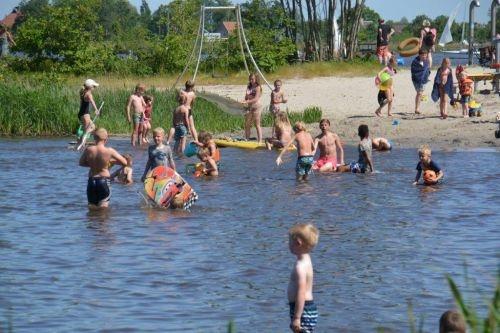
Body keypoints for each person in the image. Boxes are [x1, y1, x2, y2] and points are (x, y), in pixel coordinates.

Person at [79, 128, 127, 209]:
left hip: (91, 180)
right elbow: (125, 162)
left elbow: (81, 163)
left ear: (94, 138)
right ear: (106, 139)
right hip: (103, 180)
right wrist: (111, 162)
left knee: (92, 208)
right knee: (104, 209)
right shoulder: (109, 151)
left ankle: (91, 221)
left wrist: (92, 164)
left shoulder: (89, 149)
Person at [288, 223, 319, 333]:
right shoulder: (307, 259)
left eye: (290, 241)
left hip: (302, 310)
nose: (288, 244)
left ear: (298, 243)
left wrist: (297, 318)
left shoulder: (299, 267)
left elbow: (301, 292)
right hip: (308, 308)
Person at [76, 79, 100, 150]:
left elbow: (81, 104)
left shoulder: (83, 92)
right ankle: (82, 145)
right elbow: (92, 102)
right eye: (94, 87)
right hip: (85, 115)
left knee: (91, 127)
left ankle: (79, 143)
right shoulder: (89, 94)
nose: (94, 88)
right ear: (90, 87)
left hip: (82, 113)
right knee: (87, 130)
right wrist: (96, 110)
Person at [242, 73, 263, 143]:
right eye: (250, 79)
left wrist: (247, 101)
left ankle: (260, 141)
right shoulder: (249, 86)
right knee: (247, 123)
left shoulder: (258, 87)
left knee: (257, 124)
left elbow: (256, 99)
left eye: (252, 79)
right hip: (249, 107)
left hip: (257, 107)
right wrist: (245, 100)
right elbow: (246, 96)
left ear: (256, 79)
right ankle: (247, 138)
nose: (251, 80)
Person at [411, 49, 431, 115]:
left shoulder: (426, 61)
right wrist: (418, 75)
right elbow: (413, 71)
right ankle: (417, 108)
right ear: (419, 55)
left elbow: (427, 70)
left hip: (424, 80)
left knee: (419, 93)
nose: (424, 56)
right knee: (419, 93)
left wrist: (427, 75)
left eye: (425, 55)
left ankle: (417, 109)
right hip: (416, 80)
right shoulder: (415, 62)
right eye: (423, 55)